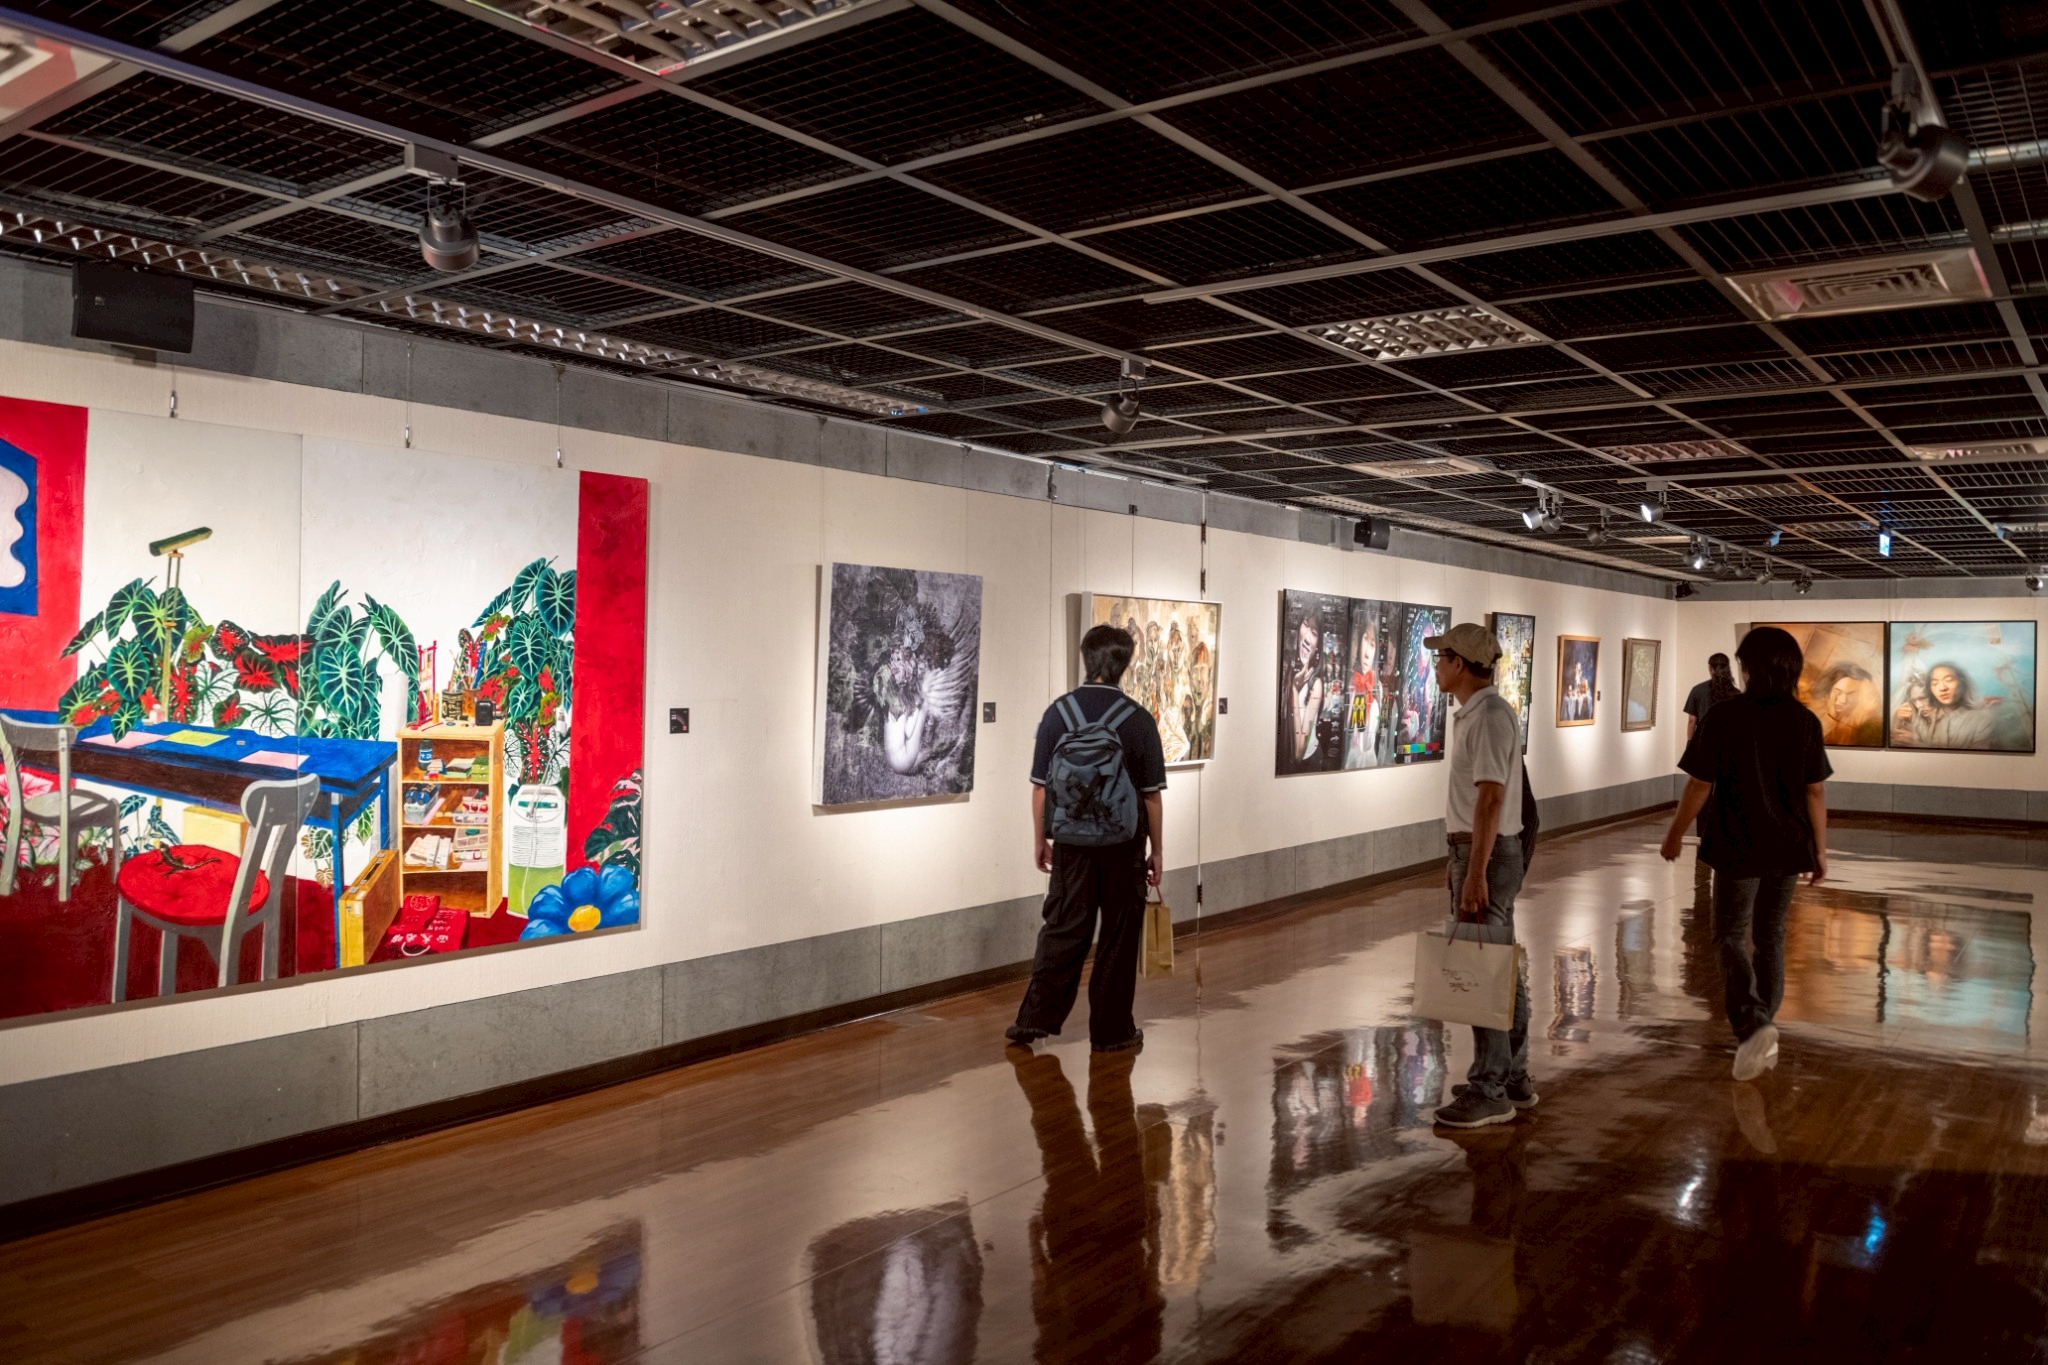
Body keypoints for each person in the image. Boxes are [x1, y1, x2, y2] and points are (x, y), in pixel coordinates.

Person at [1660, 627, 1831, 1082]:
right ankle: (1762, 1027)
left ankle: (1754, 1024)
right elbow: (1815, 792)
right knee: (1770, 936)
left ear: (1750, 668)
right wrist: (1820, 851)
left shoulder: (1725, 716)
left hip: (1738, 842)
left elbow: (1699, 784)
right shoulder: (1805, 721)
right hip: (1789, 845)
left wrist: (1675, 833)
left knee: (1729, 935)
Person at [1009, 623, 1166, 1053]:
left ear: (1086, 659)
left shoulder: (1058, 714)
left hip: (1072, 845)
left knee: (1063, 930)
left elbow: (1040, 788)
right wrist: (1156, 851)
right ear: (1124, 665)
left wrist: (1040, 839)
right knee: (1117, 936)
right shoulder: (1138, 720)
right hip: (1123, 847)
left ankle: (1033, 1019)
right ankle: (1112, 1032)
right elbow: (1151, 797)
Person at [1425, 622, 1534, 1130]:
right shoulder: (1481, 713)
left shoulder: (1488, 716)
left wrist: (1474, 872)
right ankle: (1512, 1077)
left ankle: (1489, 1088)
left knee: (1481, 970)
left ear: (1460, 664)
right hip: (1480, 850)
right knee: (1499, 965)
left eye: (1441, 656)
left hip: (1484, 852)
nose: (1436, 665)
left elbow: (1490, 799)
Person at [1682, 653, 1741, 893]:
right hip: (1730, 753)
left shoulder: (1698, 691)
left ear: (1710, 668)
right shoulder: (1736, 694)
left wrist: (1690, 747)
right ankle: (1727, 836)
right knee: (1727, 796)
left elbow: (1692, 722)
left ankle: (1704, 837)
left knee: (1702, 796)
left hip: (1704, 750)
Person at [1892, 661, 1997, 749]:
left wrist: (1917, 744)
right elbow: (1896, 742)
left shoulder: (1979, 718)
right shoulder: (1917, 717)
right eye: (1914, 701)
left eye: (1923, 698)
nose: (1919, 705)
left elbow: (1976, 759)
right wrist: (1897, 721)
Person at [1813, 662, 1881, 747]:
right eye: (1837, 692)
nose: (1843, 700)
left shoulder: (1861, 725)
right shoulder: (1815, 719)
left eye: (1850, 693)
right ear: (1827, 691)